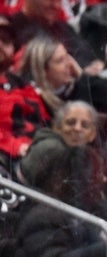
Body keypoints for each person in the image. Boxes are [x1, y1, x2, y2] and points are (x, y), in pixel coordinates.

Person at [0, 18, 49, 174]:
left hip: (35, 150)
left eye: (5, 40)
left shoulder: (23, 85)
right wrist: (16, 146)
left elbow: (44, 122)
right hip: (8, 155)